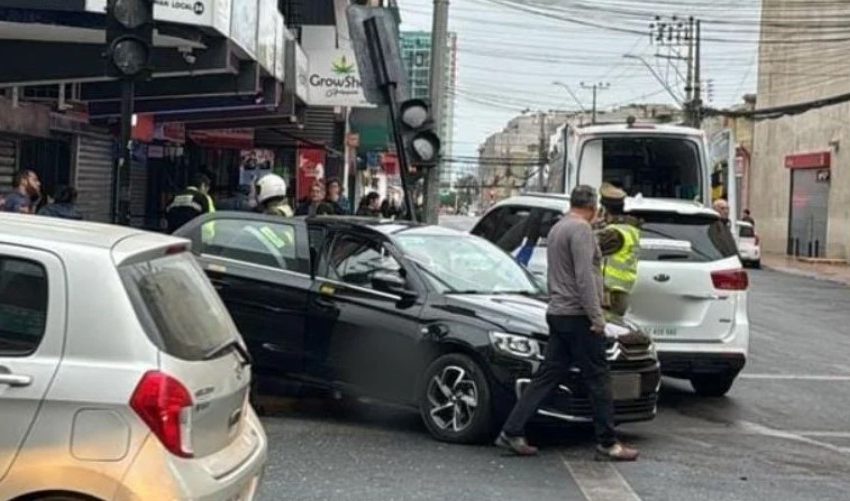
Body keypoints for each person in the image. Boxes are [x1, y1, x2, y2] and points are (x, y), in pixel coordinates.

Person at [496, 185, 639, 461]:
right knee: (599, 378)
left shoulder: (558, 228)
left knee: (548, 374)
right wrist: (597, 318)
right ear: (593, 206)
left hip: (558, 311)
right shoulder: (582, 230)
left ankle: (512, 431)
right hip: (578, 315)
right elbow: (584, 276)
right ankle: (608, 443)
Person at [596, 183, 641, 316]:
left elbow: (585, 246)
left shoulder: (613, 233)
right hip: (621, 292)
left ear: (604, 209)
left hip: (611, 295)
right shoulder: (629, 228)